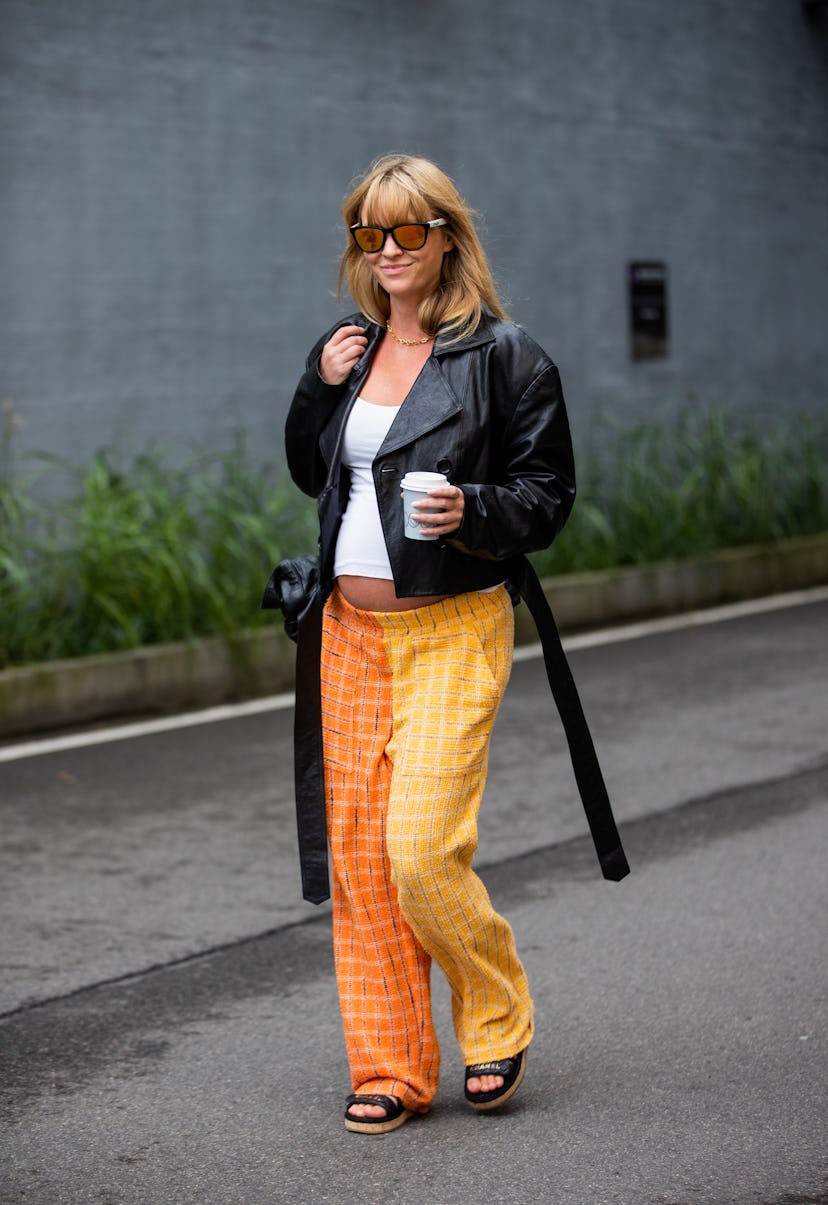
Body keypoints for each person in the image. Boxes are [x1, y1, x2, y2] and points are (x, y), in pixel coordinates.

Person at [283, 153, 624, 1135]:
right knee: (362, 861)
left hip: (452, 628)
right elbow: (313, 472)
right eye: (368, 233)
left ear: (446, 238)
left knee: (421, 852)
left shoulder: (505, 356)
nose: (387, 251)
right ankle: (391, 1061)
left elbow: (547, 496)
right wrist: (318, 387)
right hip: (346, 635)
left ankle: (495, 1001)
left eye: (407, 231)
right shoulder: (344, 345)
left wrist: (469, 507)